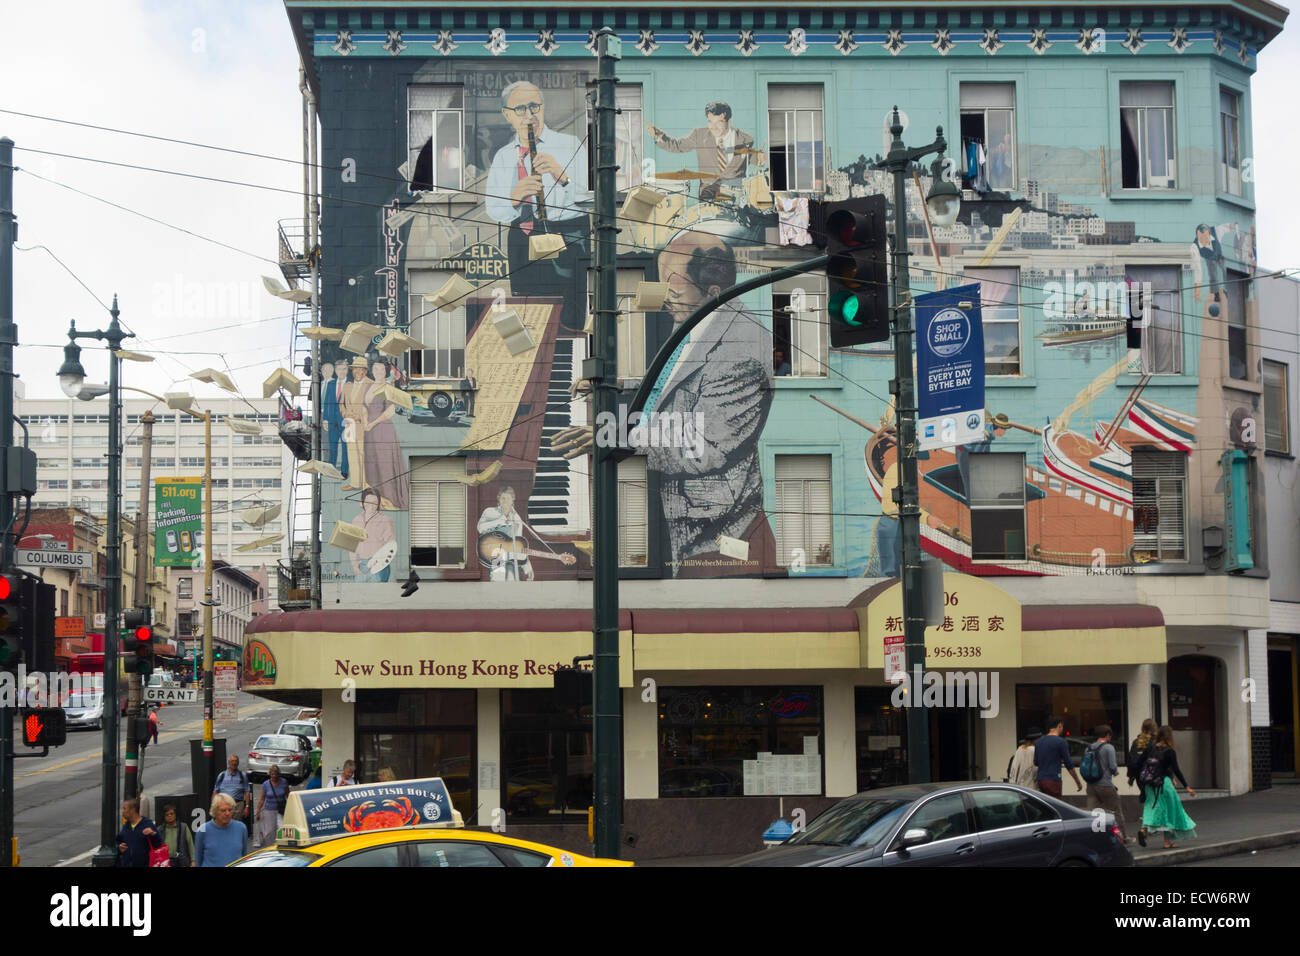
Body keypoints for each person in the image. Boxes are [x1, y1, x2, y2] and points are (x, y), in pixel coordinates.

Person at [551, 231, 774, 577]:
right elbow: (668, 390)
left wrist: (609, 436)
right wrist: (606, 385)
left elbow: (703, 446)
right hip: (692, 534)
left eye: (674, 291)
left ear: (713, 293)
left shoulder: (740, 352)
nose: (664, 300)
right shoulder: (700, 319)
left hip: (718, 546)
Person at [484, 81, 588, 329]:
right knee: (529, 310)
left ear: (543, 107)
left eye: (534, 107)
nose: (529, 115)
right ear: (507, 114)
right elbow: (493, 209)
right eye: (520, 109)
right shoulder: (503, 156)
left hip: (567, 235)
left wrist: (561, 175)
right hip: (523, 237)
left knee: (569, 311)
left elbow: (591, 199)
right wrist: (514, 197)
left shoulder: (570, 144)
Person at [650, 102, 754, 202]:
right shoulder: (699, 135)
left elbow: (753, 158)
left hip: (735, 195)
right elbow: (678, 146)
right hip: (708, 194)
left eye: (719, 122)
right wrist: (661, 137)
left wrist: (761, 159)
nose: (713, 127)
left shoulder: (745, 140)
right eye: (710, 122)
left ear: (729, 121)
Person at [1138, 725, 1197, 849]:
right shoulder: (1169, 751)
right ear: (1169, 736)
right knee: (1169, 812)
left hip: (1150, 785)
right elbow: (1176, 770)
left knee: (1151, 808)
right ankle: (1167, 842)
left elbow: (1140, 763)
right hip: (1163, 784)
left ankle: (1144, 830)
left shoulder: (1151, 748)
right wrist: (1187, 786)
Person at [362, 359, 409, 510]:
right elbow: (363, 406)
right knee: (372, 464)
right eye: (375, 368)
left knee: (385, 464)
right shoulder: (368, 386)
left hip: (383, 429)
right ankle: (377, 499)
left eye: (381, 369)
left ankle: (391, 499)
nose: (378, 372)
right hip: (368, 432)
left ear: (386, 371)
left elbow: (390, 411)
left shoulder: (389, 387)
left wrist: (372, 423)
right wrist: (364, 422)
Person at [1083, 724, 1129, 843]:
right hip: (1105, 785)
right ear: (1107, 735)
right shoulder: (1109, 747)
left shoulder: (1088, 748)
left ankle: (1097, 839)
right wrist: (1116, 772)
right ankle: (1123, 837)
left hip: (1091, 785)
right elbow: (1113, 766)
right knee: (1115, 811)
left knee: (1095, 813)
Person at [477, 486, 533, 582]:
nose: (505, 501)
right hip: (493, 554)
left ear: (513, 500)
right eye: (503, 498)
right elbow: (480, 528)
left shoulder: (517, 519)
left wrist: (528, 568)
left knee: (514, 582)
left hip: (510, 556)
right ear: (499, 499)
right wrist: (500, 520)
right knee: (499, 583)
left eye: (508, 498)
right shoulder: (490, 512)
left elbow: (518, 545)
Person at [348, 488, 397, 582]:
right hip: (361, 565)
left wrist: (379, 562)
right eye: (368, 502)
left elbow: (391, 545)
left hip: (379, 566)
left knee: (377, 595)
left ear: (378, 504)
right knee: (360, 594)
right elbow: (352, 545)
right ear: (363, 502)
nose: (371, 505)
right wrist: (354, 566)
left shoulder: (385, 520)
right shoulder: (356, 520)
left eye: (374, 502)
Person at [1033, 716, 1083, 798]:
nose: (1062, 729)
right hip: (1053, 779)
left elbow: (1036, 762)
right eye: (1062, 726)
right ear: (1059, 725)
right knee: (1055, 806)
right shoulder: (1061, 742)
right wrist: (1078, 782)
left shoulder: (1039, 741)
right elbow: (1069, 765)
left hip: (1040, 779)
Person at [340, 357, 370, 491]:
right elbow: (342, 404)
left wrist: (362, 417)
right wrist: (346, 414)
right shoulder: (347, 385)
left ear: (365, 370)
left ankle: (366, 484)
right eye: (355, 368)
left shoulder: (371, 385)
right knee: (352, 455)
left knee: (365, 455)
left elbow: (376, 406)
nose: (357, 371)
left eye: (360, 368)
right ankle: (355, 483)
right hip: (349, 425)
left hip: (364, 427)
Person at [194, 793, 248, 867]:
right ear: (214, 812)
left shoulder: (241, 828)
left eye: (230, 810)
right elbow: (198, 859)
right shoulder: (203, 831)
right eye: (223, 810)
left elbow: (244, 857)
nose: (227, 813)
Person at [320, 360, 348, 478]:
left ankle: (344, 471)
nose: (342, 371)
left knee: (345, 446)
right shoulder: (331, 384)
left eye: (344, 369)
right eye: (339, 369)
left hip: (345, 420)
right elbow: (326, 402)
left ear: (347, 370)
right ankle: (331, 469)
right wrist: (325, 419)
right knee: (332, 446)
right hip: (332, 420)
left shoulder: (350, 384)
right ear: (336, 371)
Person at [115, 797, 157, 868]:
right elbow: (117, 842)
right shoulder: (126, 826)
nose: (122, 811)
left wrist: (153, 834)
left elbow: (158, 844)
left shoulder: (147, 824)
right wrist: (119, 848)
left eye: (124, 808)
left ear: (132, 810)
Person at [212, 754, 252, 826]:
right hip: (224, 805)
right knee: (224, 825)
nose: (234, 763)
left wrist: (247, 807)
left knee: (235, 826)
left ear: (238, 763)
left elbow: (247, 792)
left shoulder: (242, 775)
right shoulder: (222, 775)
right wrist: (213, 807)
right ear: (229, 763)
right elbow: (215, 791)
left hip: (238, 805)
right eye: (232, 761)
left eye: (236, 761)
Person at [256, 765, 290, 848]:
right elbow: (262, 799)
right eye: (272, 774)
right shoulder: (266, 784)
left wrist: (291, 808)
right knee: (270, 831)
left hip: (281, 810)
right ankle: (270, 847)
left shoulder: (284, 782)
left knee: (282, 828)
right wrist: (258, 811)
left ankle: (283, 846)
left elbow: (288, 795)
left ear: (279, 774)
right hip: (269, 810)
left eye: (276, 774)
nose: (274, 776)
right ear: (270, 774)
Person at [1126, 717, 1158, 802]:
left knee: (1147, 797)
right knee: (1155, 799)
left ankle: (1147, 814)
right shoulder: (1156, 742)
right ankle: (1150, 815)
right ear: (1154, 728)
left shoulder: (1136, 742)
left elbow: (1130, 760)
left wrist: (1131, 776)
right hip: (1153, 775)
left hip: (1139, 776)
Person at [158, 803, 193, 867]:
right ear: (164, 817)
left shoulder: (183, 827)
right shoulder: (160, 829)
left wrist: (193, 861)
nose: (169, 816)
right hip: (165, 862)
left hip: (182, 862)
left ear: (175, 815)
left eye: (171, 813)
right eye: (167, 815)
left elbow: (190, 845)